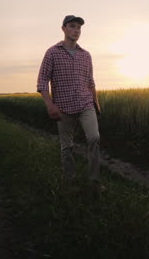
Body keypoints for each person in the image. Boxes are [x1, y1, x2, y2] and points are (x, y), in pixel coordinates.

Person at [37, 15, 105, 194]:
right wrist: (50, 105)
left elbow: (90, 82)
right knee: (67, 145)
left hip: (85, 104)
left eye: (79, 28)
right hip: (63, 107)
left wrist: (96, 102)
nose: (76, 30)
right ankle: (70, 181)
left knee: (94, 138)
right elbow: (42, 81)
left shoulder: (86, 55)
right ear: (64, 29)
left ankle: (94, 181)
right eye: (72, 26)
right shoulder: (52, 52)